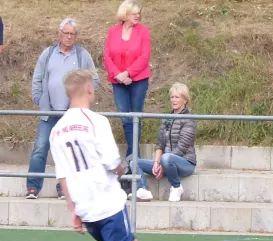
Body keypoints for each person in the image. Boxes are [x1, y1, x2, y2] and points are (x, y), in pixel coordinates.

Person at [49, 69, 202, 241]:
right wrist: (122, 169)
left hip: (85, 207)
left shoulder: (58, 130)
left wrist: (73, 210)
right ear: (88, 88)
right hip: (107, 201)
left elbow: (62, 175)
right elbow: (112, 162)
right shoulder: (96, 121)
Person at [27, 18, 98, 200]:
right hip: (48, 113)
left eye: (72, 34)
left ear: (76, 36)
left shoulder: (82, 56)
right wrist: (40, 100)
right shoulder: (48, 54)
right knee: (40, 148)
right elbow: (37, 79)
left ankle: (63, 189)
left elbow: (94, 80)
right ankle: (33, 187)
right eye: (66, 33)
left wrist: (82, 102)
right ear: (60, 34)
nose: (68, 37)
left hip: (72, 115)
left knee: (67, 151)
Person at [129, 83, 197, 202]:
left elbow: (182, 148)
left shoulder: (189, 119)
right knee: (133, 162)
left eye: (177, 97)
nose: (174, 100)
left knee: (166, 158)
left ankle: (176, 187)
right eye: (172, 97)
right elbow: (160, 143)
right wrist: (156, 162)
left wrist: (163, 164)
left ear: (185, 100)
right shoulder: (166, 117)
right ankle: (143, 189)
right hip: (165, 162)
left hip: (185, 163)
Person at [104, 0, 151, 160]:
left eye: (139, 13)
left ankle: (132, 157)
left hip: (138, 80)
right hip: (118, 81)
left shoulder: (144, 32)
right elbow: (107, 56)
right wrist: (118, 75)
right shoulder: (112, 32)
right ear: (125, 14)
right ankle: (134, 157)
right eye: (134, 13)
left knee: (135, 117)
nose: (137, 15)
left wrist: (128, 73)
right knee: (125, 118)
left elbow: (144, 57)